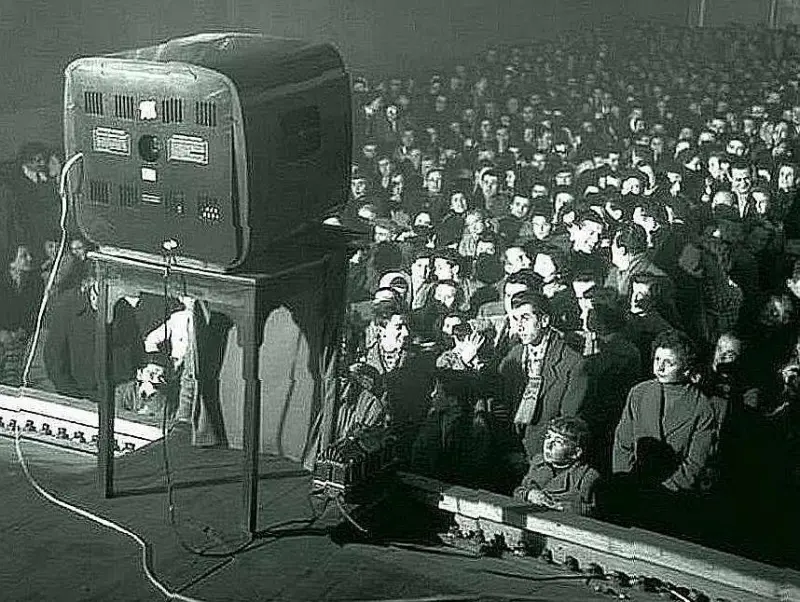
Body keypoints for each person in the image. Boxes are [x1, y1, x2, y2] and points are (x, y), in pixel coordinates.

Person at [611, 329, 722, 536]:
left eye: (669, 363)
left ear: (687, 369)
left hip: (671, 497)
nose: (659, 367)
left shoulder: (702, 407)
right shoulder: (639, 392)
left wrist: (664, 490)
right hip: (631, 488)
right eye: (657, 359)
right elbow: (623, 443)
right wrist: (625, 482)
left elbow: (695, 462)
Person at [499, 291, 588, 463]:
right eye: (515, 319)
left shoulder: (572, 363)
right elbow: (501, 407)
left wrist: (538, 460)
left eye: (525, 318)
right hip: (509, 452)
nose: (519, 327)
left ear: (544, 321)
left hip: (547, 459)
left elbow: (567, 426)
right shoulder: (514, 356)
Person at [512, 416, 601, 517]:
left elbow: (590, 511)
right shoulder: (537, 463)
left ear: (576, 453)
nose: (548, 445)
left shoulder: (586, 476)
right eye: (548, 437)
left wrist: (559, 506)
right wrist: (528, 495)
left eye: (558, 442)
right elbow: (518, 491)